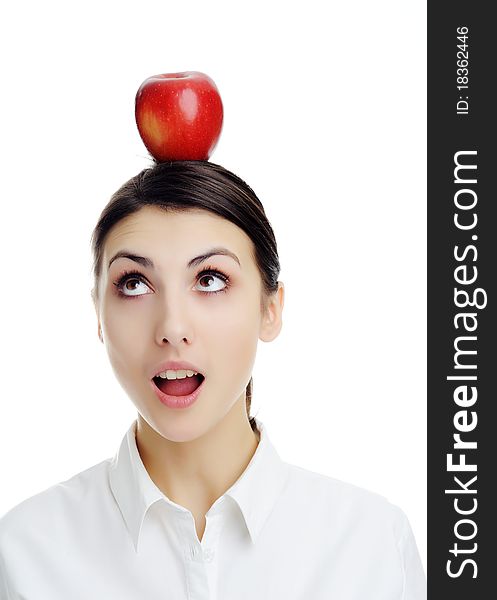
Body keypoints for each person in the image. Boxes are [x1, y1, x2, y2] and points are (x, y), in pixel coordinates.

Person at [0, 160, 426, 598]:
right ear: (98, 316)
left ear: (270, 308)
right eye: (133, 284)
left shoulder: (372, 548)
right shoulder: (25, 553)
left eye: (209, 279)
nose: (172, 326)